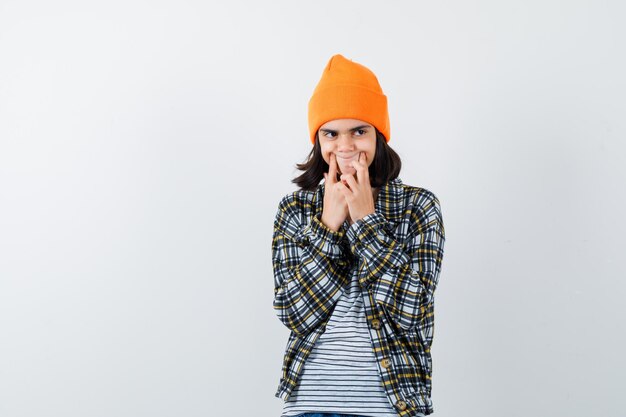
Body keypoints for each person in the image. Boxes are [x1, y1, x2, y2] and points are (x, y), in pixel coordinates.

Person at [271, 54, 446, 417]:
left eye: (359, 131)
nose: (345, 146)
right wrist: (328, 224)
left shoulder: (417, 206)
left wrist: (366, 220)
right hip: (309, 405)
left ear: (379, 136)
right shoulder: (294, 209)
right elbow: (294, 313)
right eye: (331, 133)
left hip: (391, 404)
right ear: (318, 140)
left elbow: (412, 310)